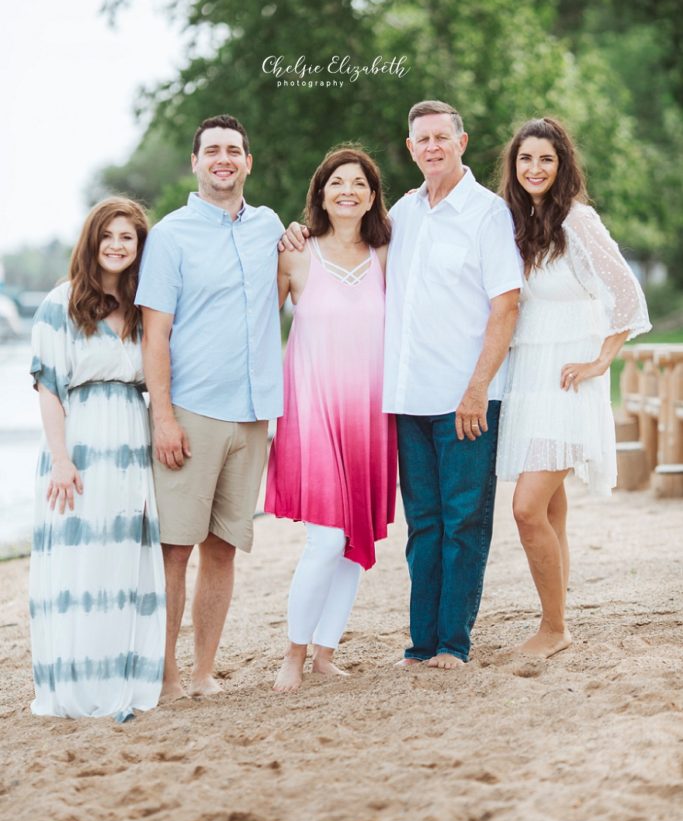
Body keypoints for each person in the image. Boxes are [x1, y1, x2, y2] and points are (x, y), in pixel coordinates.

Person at [283, 101, 523, 669]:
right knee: (425, 528)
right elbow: (339, 249)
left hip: (467, 398)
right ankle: (420, 645)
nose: (433, 147)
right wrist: (297, 229)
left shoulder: (487, 214)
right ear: (411, 148)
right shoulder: (404, 217)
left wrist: (477, 387)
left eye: (443, 137)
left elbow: (507, 305)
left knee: (464, 523)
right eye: (423, 139)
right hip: (406, 402)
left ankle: (452, 645)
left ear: (462, 142)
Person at [136, 114, 283, 699]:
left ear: (247, 162)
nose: (224, 159)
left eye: (234, 151)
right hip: (192, 413)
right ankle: (167, 675)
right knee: (175, 550)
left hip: (253, 416)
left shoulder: (269, 225)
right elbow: (155, 335)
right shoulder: (170, 236)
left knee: (223, 549)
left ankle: (202, 672)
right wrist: (163, 417)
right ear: (196, 162)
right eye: (212, 151)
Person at [496, 117, 650, 657]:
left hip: (566, 382)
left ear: (561, 167)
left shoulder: (577, 220)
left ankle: (554, 628)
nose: (534, 169)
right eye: (525, 159)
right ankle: (556, 622)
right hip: (530, 378)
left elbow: (626, 295)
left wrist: (599, 361)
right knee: (551, 508)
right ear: (513, 168)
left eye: (546, 159)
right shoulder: (519, 222)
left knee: (526, 507)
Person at [265, 147, 396, 692]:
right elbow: (254, 329)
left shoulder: (389, 254)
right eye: (337, 182)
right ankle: (292, 657)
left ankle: (324, 653)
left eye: (359, 183)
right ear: (321, 193)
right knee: (326, 538)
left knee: (353, 542)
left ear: (372, 196)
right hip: (311, 409)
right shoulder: (294, 256)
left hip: (370, 414)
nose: (348, 190)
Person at [29, 198, 166, 721]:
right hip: (81, 445)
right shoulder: (61, 303)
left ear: (139, 247)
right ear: (91, 242)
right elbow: (48, 389)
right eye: (107, 235)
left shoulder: (143, 307)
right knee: (78, 566)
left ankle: (124, 684)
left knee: (122, 563)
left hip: (130, 444)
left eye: (127, 237)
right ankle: (79, 689)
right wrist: (61, 460)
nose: (116, 245)